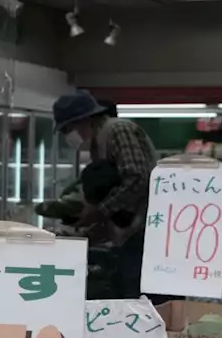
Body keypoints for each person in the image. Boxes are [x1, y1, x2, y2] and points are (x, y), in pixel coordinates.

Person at [52, 89, 157, 299]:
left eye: (68, 129)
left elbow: (137, 178)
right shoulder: (98, 144)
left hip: (145, 236)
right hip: (129, 237)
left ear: (84, 120)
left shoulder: (117, 130)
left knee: (137, 298)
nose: (68, 137)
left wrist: (98, 212)